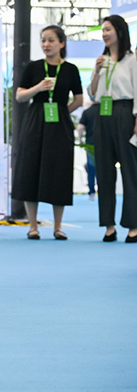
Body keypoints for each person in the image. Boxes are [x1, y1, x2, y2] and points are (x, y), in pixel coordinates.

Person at [12, 25, 83, 240]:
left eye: (51, 40)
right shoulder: (34, 67)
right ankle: (33, 226)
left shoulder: (70, 69)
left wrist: (62, 112)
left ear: (62, 43)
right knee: (30, 169)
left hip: (59, 124)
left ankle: (58, 227)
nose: (46, 44)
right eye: (43, 40)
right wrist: (38, 88)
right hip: (35, 121)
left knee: (59, 171)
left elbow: (79, 99)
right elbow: (20, 96)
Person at [87, 15, 137, 243]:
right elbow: (92, 93)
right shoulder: (102, 60)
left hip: (125, 112)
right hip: (102, 114)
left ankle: (133, 225)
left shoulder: (132, 60)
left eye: (108, 29)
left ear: (120, 31)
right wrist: (97, 71)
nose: (105, 34)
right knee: (104, 172)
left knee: (130, 171)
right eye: (103, 31)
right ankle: (109, 225)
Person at [77, 100, 98, 200]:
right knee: (104, 168)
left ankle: (91, 191)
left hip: (90, 144)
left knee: (91, 168)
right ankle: (104, 190)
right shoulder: (105, 110)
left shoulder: (87, 112)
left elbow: (80, 127)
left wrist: (80, 140)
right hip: (104, 143)